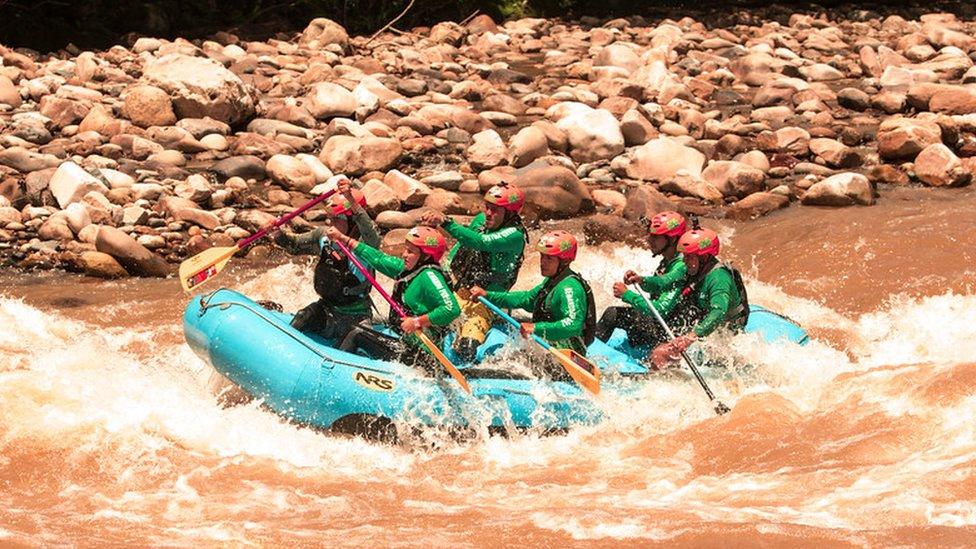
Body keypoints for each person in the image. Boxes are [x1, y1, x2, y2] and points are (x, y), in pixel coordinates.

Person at [326, 224, 461, 372]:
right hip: (403, 338)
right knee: (361, 323)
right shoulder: (407, 269)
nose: (404, 254)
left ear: (426, 256)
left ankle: (333, 371)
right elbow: (378, 258)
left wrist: (416, 322)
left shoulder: (429, 276)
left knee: (356, 333)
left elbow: (452, 309)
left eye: (410, 252)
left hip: (419, 354)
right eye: (405, 249)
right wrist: (342, 238)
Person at [421, 182, 529, 360]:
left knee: (467, 347)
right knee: (428, 323)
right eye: (487, 207)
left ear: (510, 213)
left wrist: (445, 222)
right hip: (461, 292)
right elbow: (460, 248)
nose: (488, 213)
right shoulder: (481, 221)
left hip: (486, 301)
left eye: (495, 210)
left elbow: (481, 242)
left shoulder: (514, 235)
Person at [271, 177, 379, 342]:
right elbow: (294, 246)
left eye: (337, 219)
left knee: (355, 340)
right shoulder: (324, 237)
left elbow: (371, 232)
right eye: (330, 218)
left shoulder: (365, 247)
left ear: (353, 224)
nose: (330, 223)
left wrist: (351, 199)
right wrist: (277, 234)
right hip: (328, 309)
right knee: (304, 315)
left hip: (356, 317)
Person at [470, 230, 596, 360]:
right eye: (542, 256)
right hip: (549, 349)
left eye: (549, 258)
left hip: (566, 355)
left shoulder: (568, 288)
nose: (543, 262)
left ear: (564, 261)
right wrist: (487, 295)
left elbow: (573, 324)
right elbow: (526, 299)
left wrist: (536, 328)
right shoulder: (552, 281)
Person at [650, 228, 749, 369]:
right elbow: (665, 281)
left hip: (724, 338)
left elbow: (718, 312)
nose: (684, 261)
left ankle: (660, 383)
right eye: (684, 256)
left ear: (704, 257)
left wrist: (690, 337)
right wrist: (641, 280)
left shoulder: (719, 278)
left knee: (659, 354)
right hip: (707, 330)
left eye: (689, 257)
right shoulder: (692, 268)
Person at [595, 211, 689, 348]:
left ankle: (584, 354)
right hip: (661, 325)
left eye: (655, 236)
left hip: (667, 334)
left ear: (672, 239)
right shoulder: (668, 260)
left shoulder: (681, 266)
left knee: (613, 313)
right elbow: (659, 285)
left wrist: (627, 294)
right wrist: (640, 280)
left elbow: (660, 309)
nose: (649, 240)